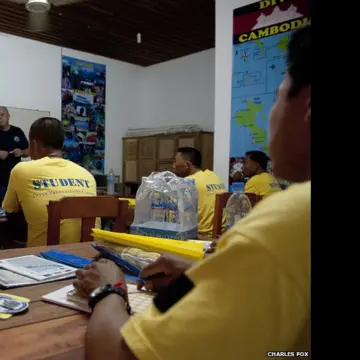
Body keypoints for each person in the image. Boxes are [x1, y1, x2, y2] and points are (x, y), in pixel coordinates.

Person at [74, 23, 311, 360]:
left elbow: (114, 354)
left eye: (278, 96)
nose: (272, 115)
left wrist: (108, 289)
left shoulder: (290, 221)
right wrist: (206, 275)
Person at [2, 117, 97, 248]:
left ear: (34, 145)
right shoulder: (87, 175)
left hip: (44, 259)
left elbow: (11, 212)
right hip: (88, 257)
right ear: (62, 145)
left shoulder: (22, 170)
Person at [171, 147, 226, 238]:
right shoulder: (213, 175)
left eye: (175, 162)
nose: (173, 165)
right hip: (222, 234)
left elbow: (175, 216)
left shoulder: (188, 182)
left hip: (200, 236)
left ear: (187, 165)